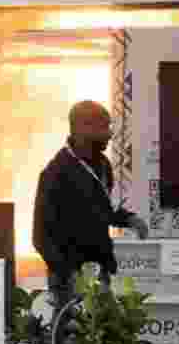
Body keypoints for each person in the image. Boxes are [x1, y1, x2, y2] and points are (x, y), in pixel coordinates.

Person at [32, 100, 148, 308]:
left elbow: (104, 210)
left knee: (105, 336)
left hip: (101, 272)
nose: (110, 134)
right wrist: (69, 273)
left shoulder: (103, 164)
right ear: (83, 128)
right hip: (68, 281)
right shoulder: (54, 173)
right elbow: (40, 237)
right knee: (73, 338)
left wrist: (129, 219)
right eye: (105, 127)